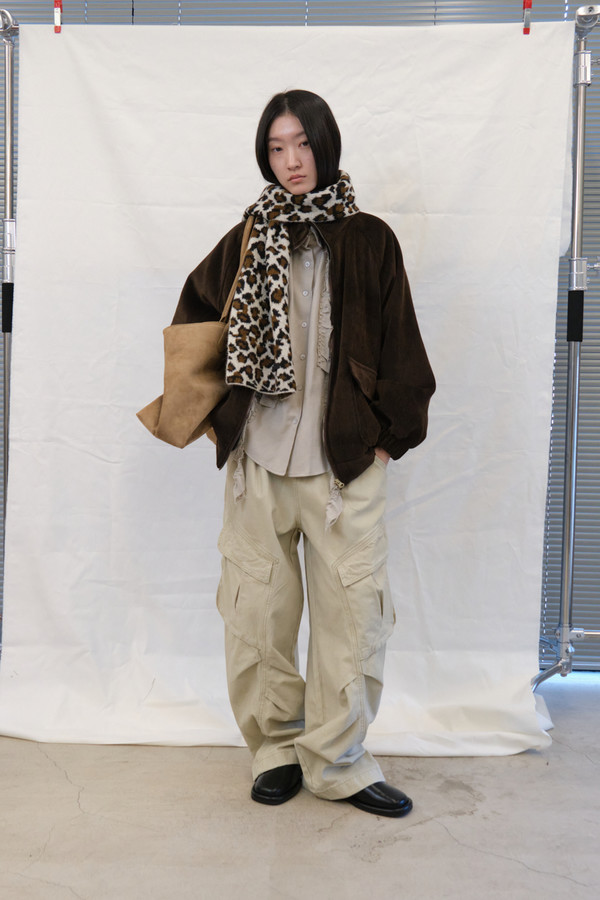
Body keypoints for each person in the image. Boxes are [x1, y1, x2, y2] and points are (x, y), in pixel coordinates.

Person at [172, 90, 435, 818]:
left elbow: (403, 346)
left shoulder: (370, 239)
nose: (291, 161)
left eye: (302, 144)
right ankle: (276, 749)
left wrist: (386, 440)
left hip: (345, 468)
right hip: (258, 465)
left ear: (326, 144)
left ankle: (339, 762)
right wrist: (218, 417)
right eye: (277, 147)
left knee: (353, 620)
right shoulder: (247, 238)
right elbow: (194, 320)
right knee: (258, 615)